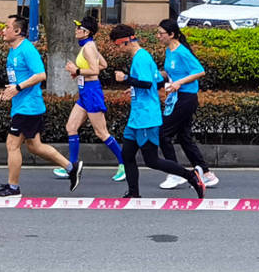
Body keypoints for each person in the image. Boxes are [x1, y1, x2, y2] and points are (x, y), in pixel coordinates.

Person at [109, 24, 205, 199]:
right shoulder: (142, 57)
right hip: (136, 116)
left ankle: (191, 176)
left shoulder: (141, 58)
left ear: (125, 42)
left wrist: (125, 79)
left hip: (146, 116)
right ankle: (133, 193)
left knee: (152, 160)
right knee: (127, 154)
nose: (117, 49)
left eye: (117, 45)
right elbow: (157, 82)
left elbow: (146, 83)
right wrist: (134, 89)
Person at [0, 14, 75, 197]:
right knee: (34, 146)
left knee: (12, 144)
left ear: (18, 31)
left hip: (28, 106)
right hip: (22, 104)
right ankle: (71, 167)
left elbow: (41, 75)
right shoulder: (13, 50)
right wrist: (9, 89)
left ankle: (13, 188)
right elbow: (18, 79)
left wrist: (18, 87)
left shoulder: (27, 50)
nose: (3, 31)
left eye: (6, 27)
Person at [55, 16, 127, 188]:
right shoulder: (89, 46)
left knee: (101, 132)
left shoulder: (88, 47)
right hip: (85, 92)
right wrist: (80, 73)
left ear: (86, 32)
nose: (76, 30)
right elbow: (103, 64)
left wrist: (77, 69)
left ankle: (125, 164)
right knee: (71, 127)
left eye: (78, 28)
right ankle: (72, 167)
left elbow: (95, 70)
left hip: (92, 92)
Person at [156, 19, 219, 190]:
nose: (158, 36)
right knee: (184, 138)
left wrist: (179, 83)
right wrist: (153, 76)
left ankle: (176, 173)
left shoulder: (182, 52)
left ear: (171, 34)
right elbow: (170, 73)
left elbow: (199, 71)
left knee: (163, 134)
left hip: (186, 98)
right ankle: (206, 174)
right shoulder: (169, 51)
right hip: (177, 97)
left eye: (161, 33)